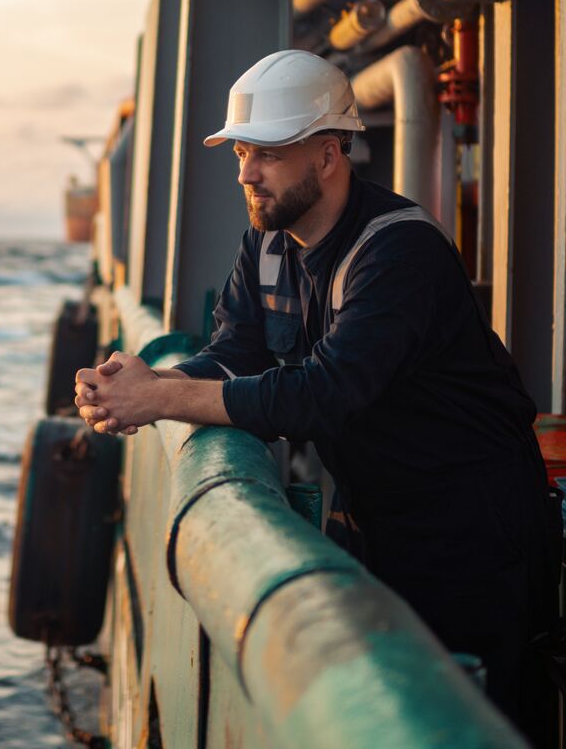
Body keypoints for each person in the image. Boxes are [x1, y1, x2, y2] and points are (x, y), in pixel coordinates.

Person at [74, 50, 559, 743]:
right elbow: (233, 354)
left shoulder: (399, 251)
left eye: (267, 153)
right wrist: (143, 385)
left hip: (476, 533)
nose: (245, 173)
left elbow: (324, 396)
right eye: (241, 151)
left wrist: (159, 402)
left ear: (328, 154)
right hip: (373, 517)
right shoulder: (268, 243)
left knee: (476, 720)